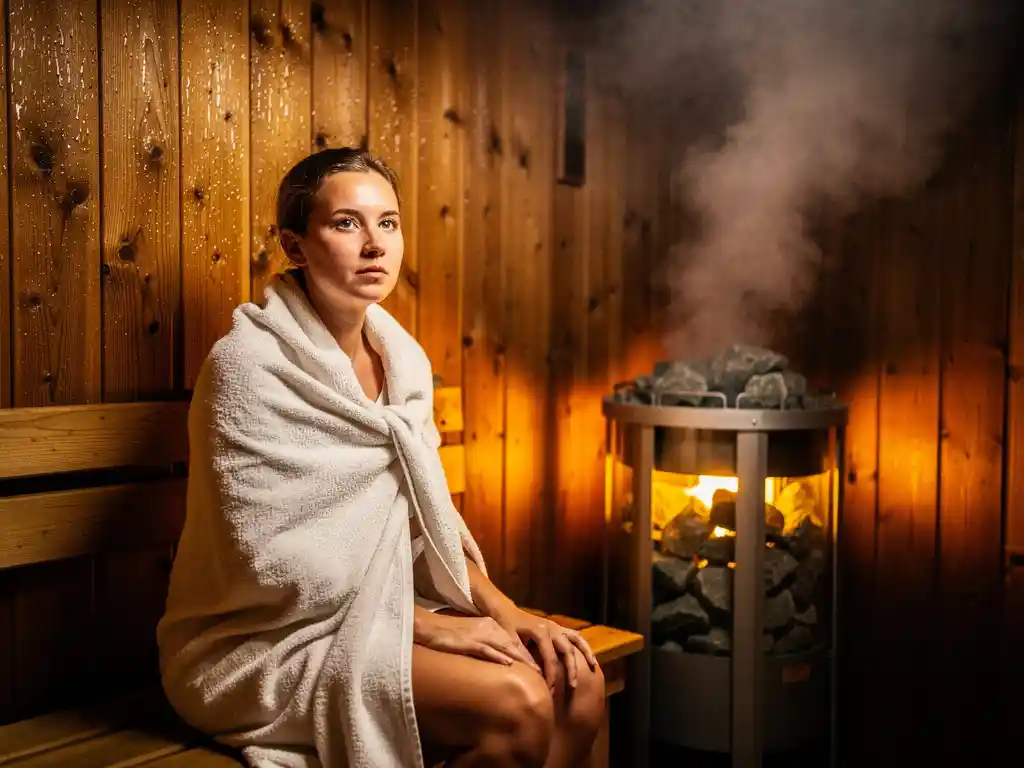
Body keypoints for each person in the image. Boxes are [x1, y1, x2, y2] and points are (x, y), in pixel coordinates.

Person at [157, 148, 605, 768]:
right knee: (518, 703)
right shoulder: (247, 369)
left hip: (384, 609)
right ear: (294, 244)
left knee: (579, 686)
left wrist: (507, 611)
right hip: (266, 640)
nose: (375, 244)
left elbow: (425, 527)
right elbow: (268, 566)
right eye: (347, 223)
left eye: (388, 223)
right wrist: (428, 628)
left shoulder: (404, 362)